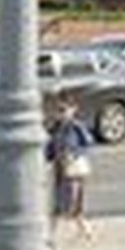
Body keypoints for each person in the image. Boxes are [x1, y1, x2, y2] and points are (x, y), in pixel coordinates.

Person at [46, 102, 96, 241]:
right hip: (60, 170)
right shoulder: (56, 128)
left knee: (73, 205)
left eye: (63, 110)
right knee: (60, 204)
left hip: (74, 171)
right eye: (58, 110)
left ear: (73, 110)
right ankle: (85, 232)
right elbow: (50, 149)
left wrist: (74, 154)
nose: (60, 113)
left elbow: (88, 143)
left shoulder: (76, 127)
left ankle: (84, 231)